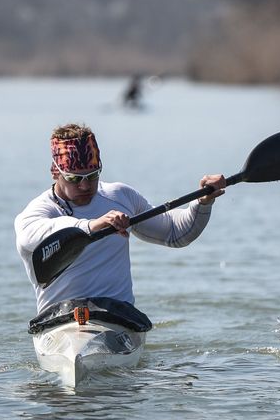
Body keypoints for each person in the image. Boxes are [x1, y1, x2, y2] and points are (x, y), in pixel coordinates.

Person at [14, 123, 226, 316]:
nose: (85, 186)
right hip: (59, 319)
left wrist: (203, 201)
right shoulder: (39, 210)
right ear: (55, 172)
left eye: (93, 175)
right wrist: (91, 225)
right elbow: (29, 238)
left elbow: (175, 233)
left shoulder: (119, 197)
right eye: (74, 178)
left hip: (117, 316)